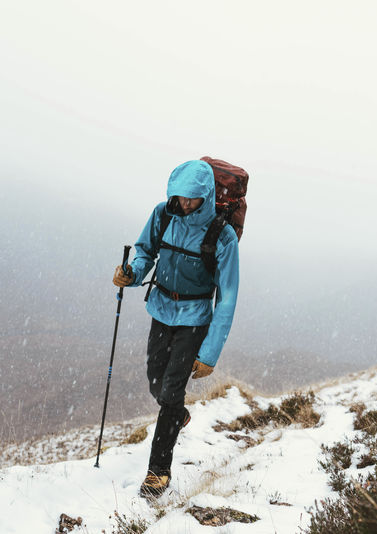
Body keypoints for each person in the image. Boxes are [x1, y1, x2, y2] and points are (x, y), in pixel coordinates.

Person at [112, 159, 239, 498]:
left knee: (170, 392)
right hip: (161, 308)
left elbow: (226, 298)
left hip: (194, 318)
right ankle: (178, 414)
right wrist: (132, 273)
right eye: (180, 197)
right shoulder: (163, 213)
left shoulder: (222, 235)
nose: (184, 204)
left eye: (192, 199)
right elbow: (145, 251)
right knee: (156, 379)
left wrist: (209, 353)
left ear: (206, 196)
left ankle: (158, 473)